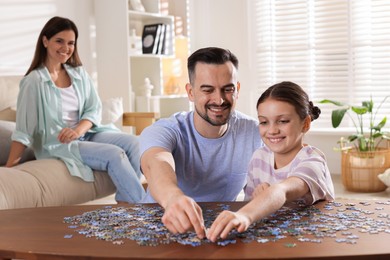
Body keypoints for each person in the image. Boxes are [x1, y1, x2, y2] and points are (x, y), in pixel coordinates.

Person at [5, 16, 145, 203]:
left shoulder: (78, 74)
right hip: (59, 143)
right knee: (114, 154)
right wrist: (8, 168)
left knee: (135, 144)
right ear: (45, 41)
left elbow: (93, 109)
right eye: (59, 41)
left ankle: (127, 203)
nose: (66, 48)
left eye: (71, 43)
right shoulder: (33, 82)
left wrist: (78, 130)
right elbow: (23, 131)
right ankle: (143, 208)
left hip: (88, 133)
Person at [139, 47, 262, 239]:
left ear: (237, 90)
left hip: (219, 231)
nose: (219, 99)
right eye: (208, 90)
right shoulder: (166, 129)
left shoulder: (256, 132)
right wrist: (173, 198)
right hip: (158, 227)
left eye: (227, 89)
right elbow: (155, 163)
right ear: (191, 92)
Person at [207, 81, 335, 242]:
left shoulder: (313, 161)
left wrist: (247, 212)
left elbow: (282, 190)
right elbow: (251, 207)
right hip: (270, 239)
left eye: (283, 121)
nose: (272, 130)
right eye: (264, 122)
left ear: (306, 123)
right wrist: (256, 201)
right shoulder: (258, 158)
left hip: (312, 240)